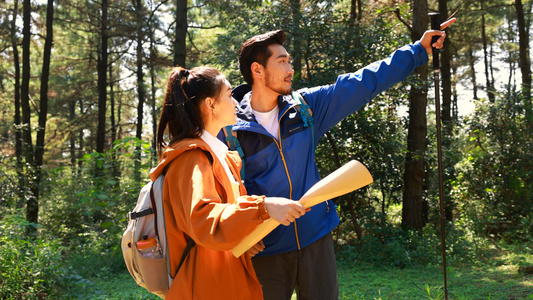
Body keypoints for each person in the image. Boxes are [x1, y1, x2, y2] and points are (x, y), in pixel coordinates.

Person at [223, 19, 456, 300]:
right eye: (282, 62)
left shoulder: (306, 107)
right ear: (257, 70)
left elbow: (363, 83)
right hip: (264, 247)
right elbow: (222, 192)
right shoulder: (228, 128)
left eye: (290, 61)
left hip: (315, 238)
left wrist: (418, 49)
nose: (291, 69)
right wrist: (240, 234)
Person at [150, 66, 306, 299]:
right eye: (229, 94)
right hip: (206, 285)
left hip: (225, 278)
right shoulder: (193, 159)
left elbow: (224, 217)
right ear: (210, 104)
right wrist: (262, 207)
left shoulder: (219, 155)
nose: (235, 102)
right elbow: (204, 220)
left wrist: (242, 237)